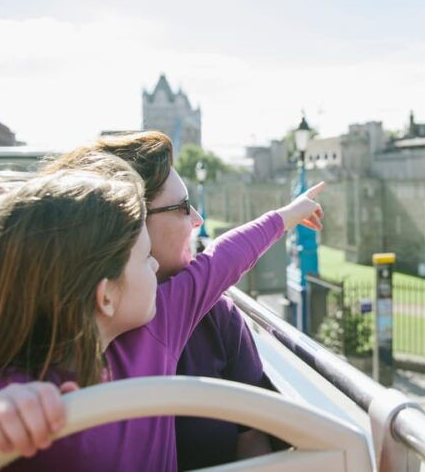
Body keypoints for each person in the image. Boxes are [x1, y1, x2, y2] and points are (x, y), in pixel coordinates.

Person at [0, 161, 324, 470]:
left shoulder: (160, 321)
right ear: (106, 297)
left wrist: (288, 215)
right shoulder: (28, 401)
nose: (154, 264)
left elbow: (225, 257)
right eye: (145, 257)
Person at [43, 132, 304, 467]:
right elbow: (223, 260)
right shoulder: (34, 370)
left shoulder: (208, 315)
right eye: (181, 207)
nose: (198, 219)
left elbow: (255, 440)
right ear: (126, 224)